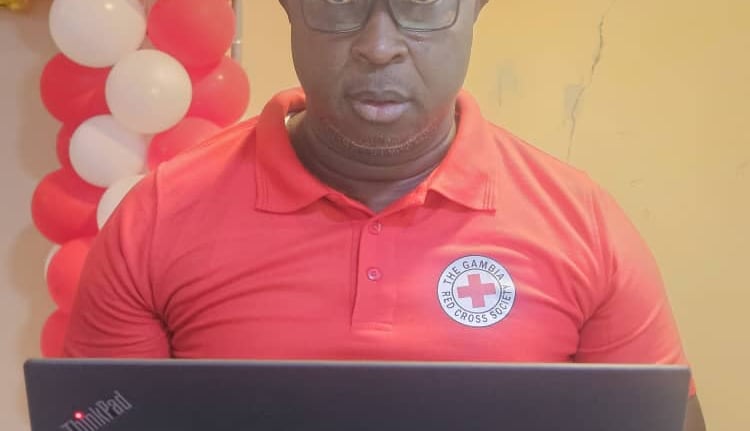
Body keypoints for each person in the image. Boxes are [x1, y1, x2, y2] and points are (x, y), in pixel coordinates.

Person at [63, 0, 705, 429]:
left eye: (422, 2)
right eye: (339, 0)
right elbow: (92, 421)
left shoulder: (584, 227)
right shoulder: (158, 219)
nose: (378, 45)